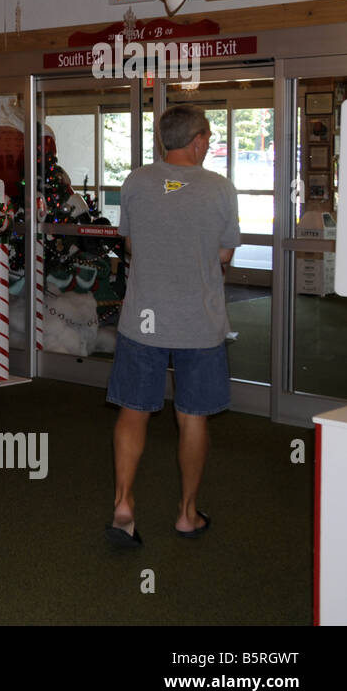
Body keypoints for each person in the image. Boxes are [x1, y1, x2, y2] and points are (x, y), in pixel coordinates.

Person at [106, 104, 240, 547]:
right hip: (199, 322)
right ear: (198, 139)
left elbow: (128, 243)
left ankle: (124, 505)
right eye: (207, 137)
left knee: (134, 409)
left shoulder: (136, 182)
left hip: (142, 318)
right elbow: (224, 256)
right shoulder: (220, 189)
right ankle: (186, 514)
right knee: (192, 416)